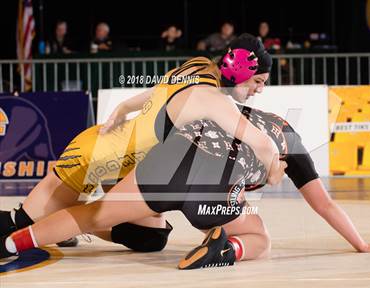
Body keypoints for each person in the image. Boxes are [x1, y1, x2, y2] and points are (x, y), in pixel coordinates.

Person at [0, 104, 370, 268]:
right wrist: (362, 244)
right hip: (212, 185)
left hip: (167, 159)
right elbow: (324, 206)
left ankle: (10, 244)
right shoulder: (292, 146)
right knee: (260, 233)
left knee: (90, 214)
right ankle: (226, 248)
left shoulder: (238, 111)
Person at [0, 34, 282, 254]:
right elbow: (264, 144)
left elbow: (155, 92)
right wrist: (271, 172)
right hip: (95, 157)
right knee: (21, 223)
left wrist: (123, 108)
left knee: (151, 238)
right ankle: (62, 221)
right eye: (258, 81)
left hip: (122, 163)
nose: (260, 89)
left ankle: (67, 220)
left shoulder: (198, 65)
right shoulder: (212, 98)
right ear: (240, 69)